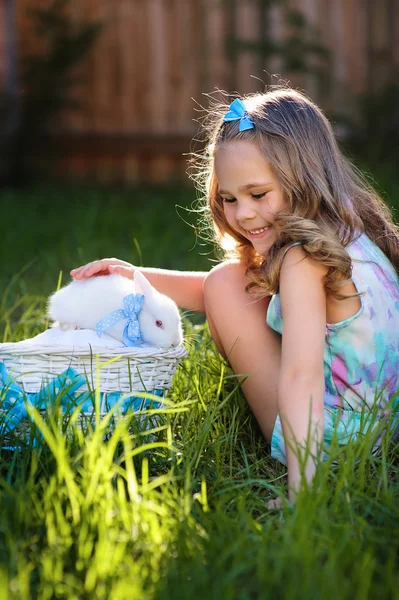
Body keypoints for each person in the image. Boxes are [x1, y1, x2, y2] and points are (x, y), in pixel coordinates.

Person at [70, 88, 399, 507]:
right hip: (382, 428)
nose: (242, 214)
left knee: (227, 283)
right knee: (228, 281)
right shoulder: (348, 224)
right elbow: (217, 288)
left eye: (258, 195)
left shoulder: (302, 260)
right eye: (228, 199)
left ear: (305, 177)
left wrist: (304, 497)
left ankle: (307, 476)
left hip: (334, 450)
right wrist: (134, 275)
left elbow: (302, 379)